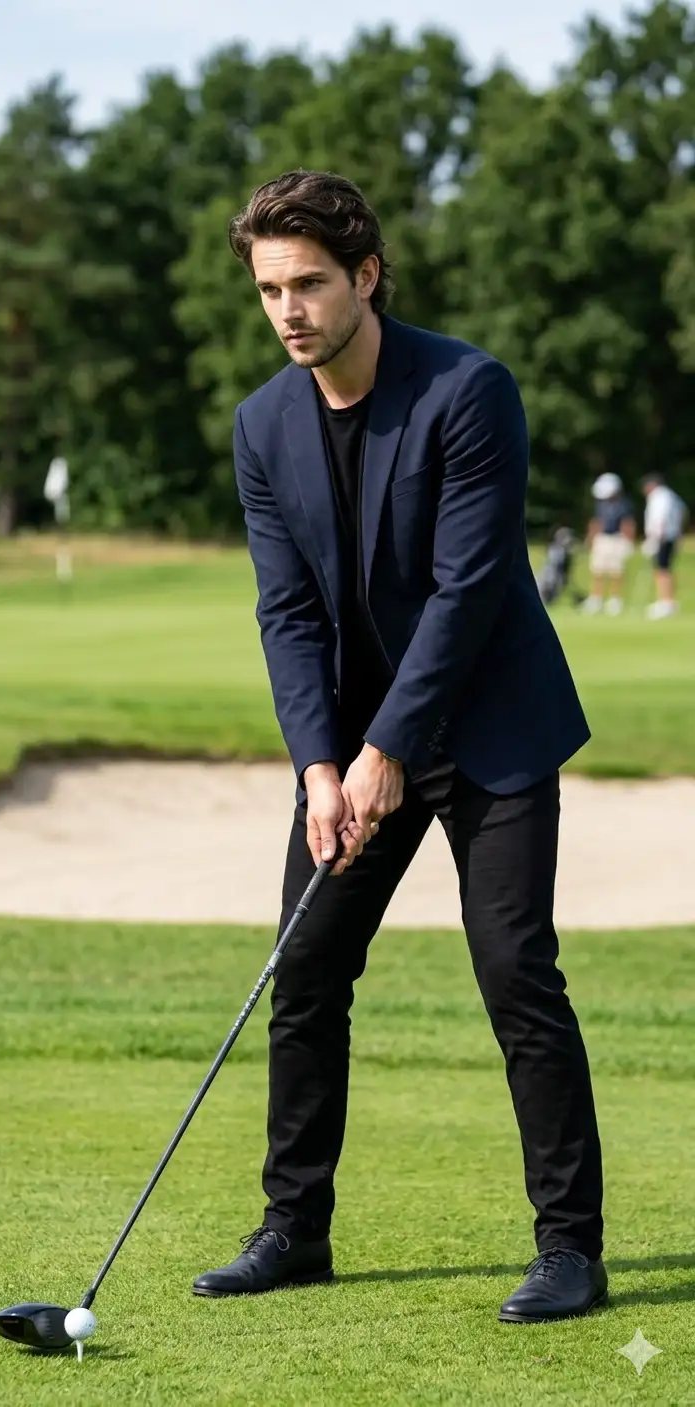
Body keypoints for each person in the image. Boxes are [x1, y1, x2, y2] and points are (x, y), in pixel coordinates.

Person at [193, 170, 607, 1324]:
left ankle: (571, 1248)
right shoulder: (261, 424)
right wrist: (322, 767)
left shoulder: (469, 389)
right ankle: (293, 1231)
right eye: (270, 287)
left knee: (516, 973)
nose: (288, 309)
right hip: (355, 740)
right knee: (307, 970)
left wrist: (388, 747)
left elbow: (471, 592)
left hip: (490, 726)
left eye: (310, 283)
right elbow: (287, 612)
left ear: (366, 277)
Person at [582, 473, 636, 615]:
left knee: (616, 571)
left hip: (617, 539)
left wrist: (629, 541)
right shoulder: (601, 504)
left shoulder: (624, 505)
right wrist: (591, 538)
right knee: (598, 570)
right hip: (602, 538)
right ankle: (596, 600)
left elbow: (628, 524)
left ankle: (615, 601)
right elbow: (597, 522)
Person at [641, 473, 688, 619]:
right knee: (664, 568)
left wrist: (654, 537)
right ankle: (668, 601)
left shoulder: (660, 496)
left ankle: (666, 602)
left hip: (662, 536)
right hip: (669, 535)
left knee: (662, 569)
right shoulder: (670, 495)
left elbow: (660, 517)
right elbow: (683, 511)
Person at [536, 526, 578, 607]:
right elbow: (555, 564)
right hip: (549, 576)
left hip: (557, 577)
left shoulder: (566, 551)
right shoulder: (555, 549)